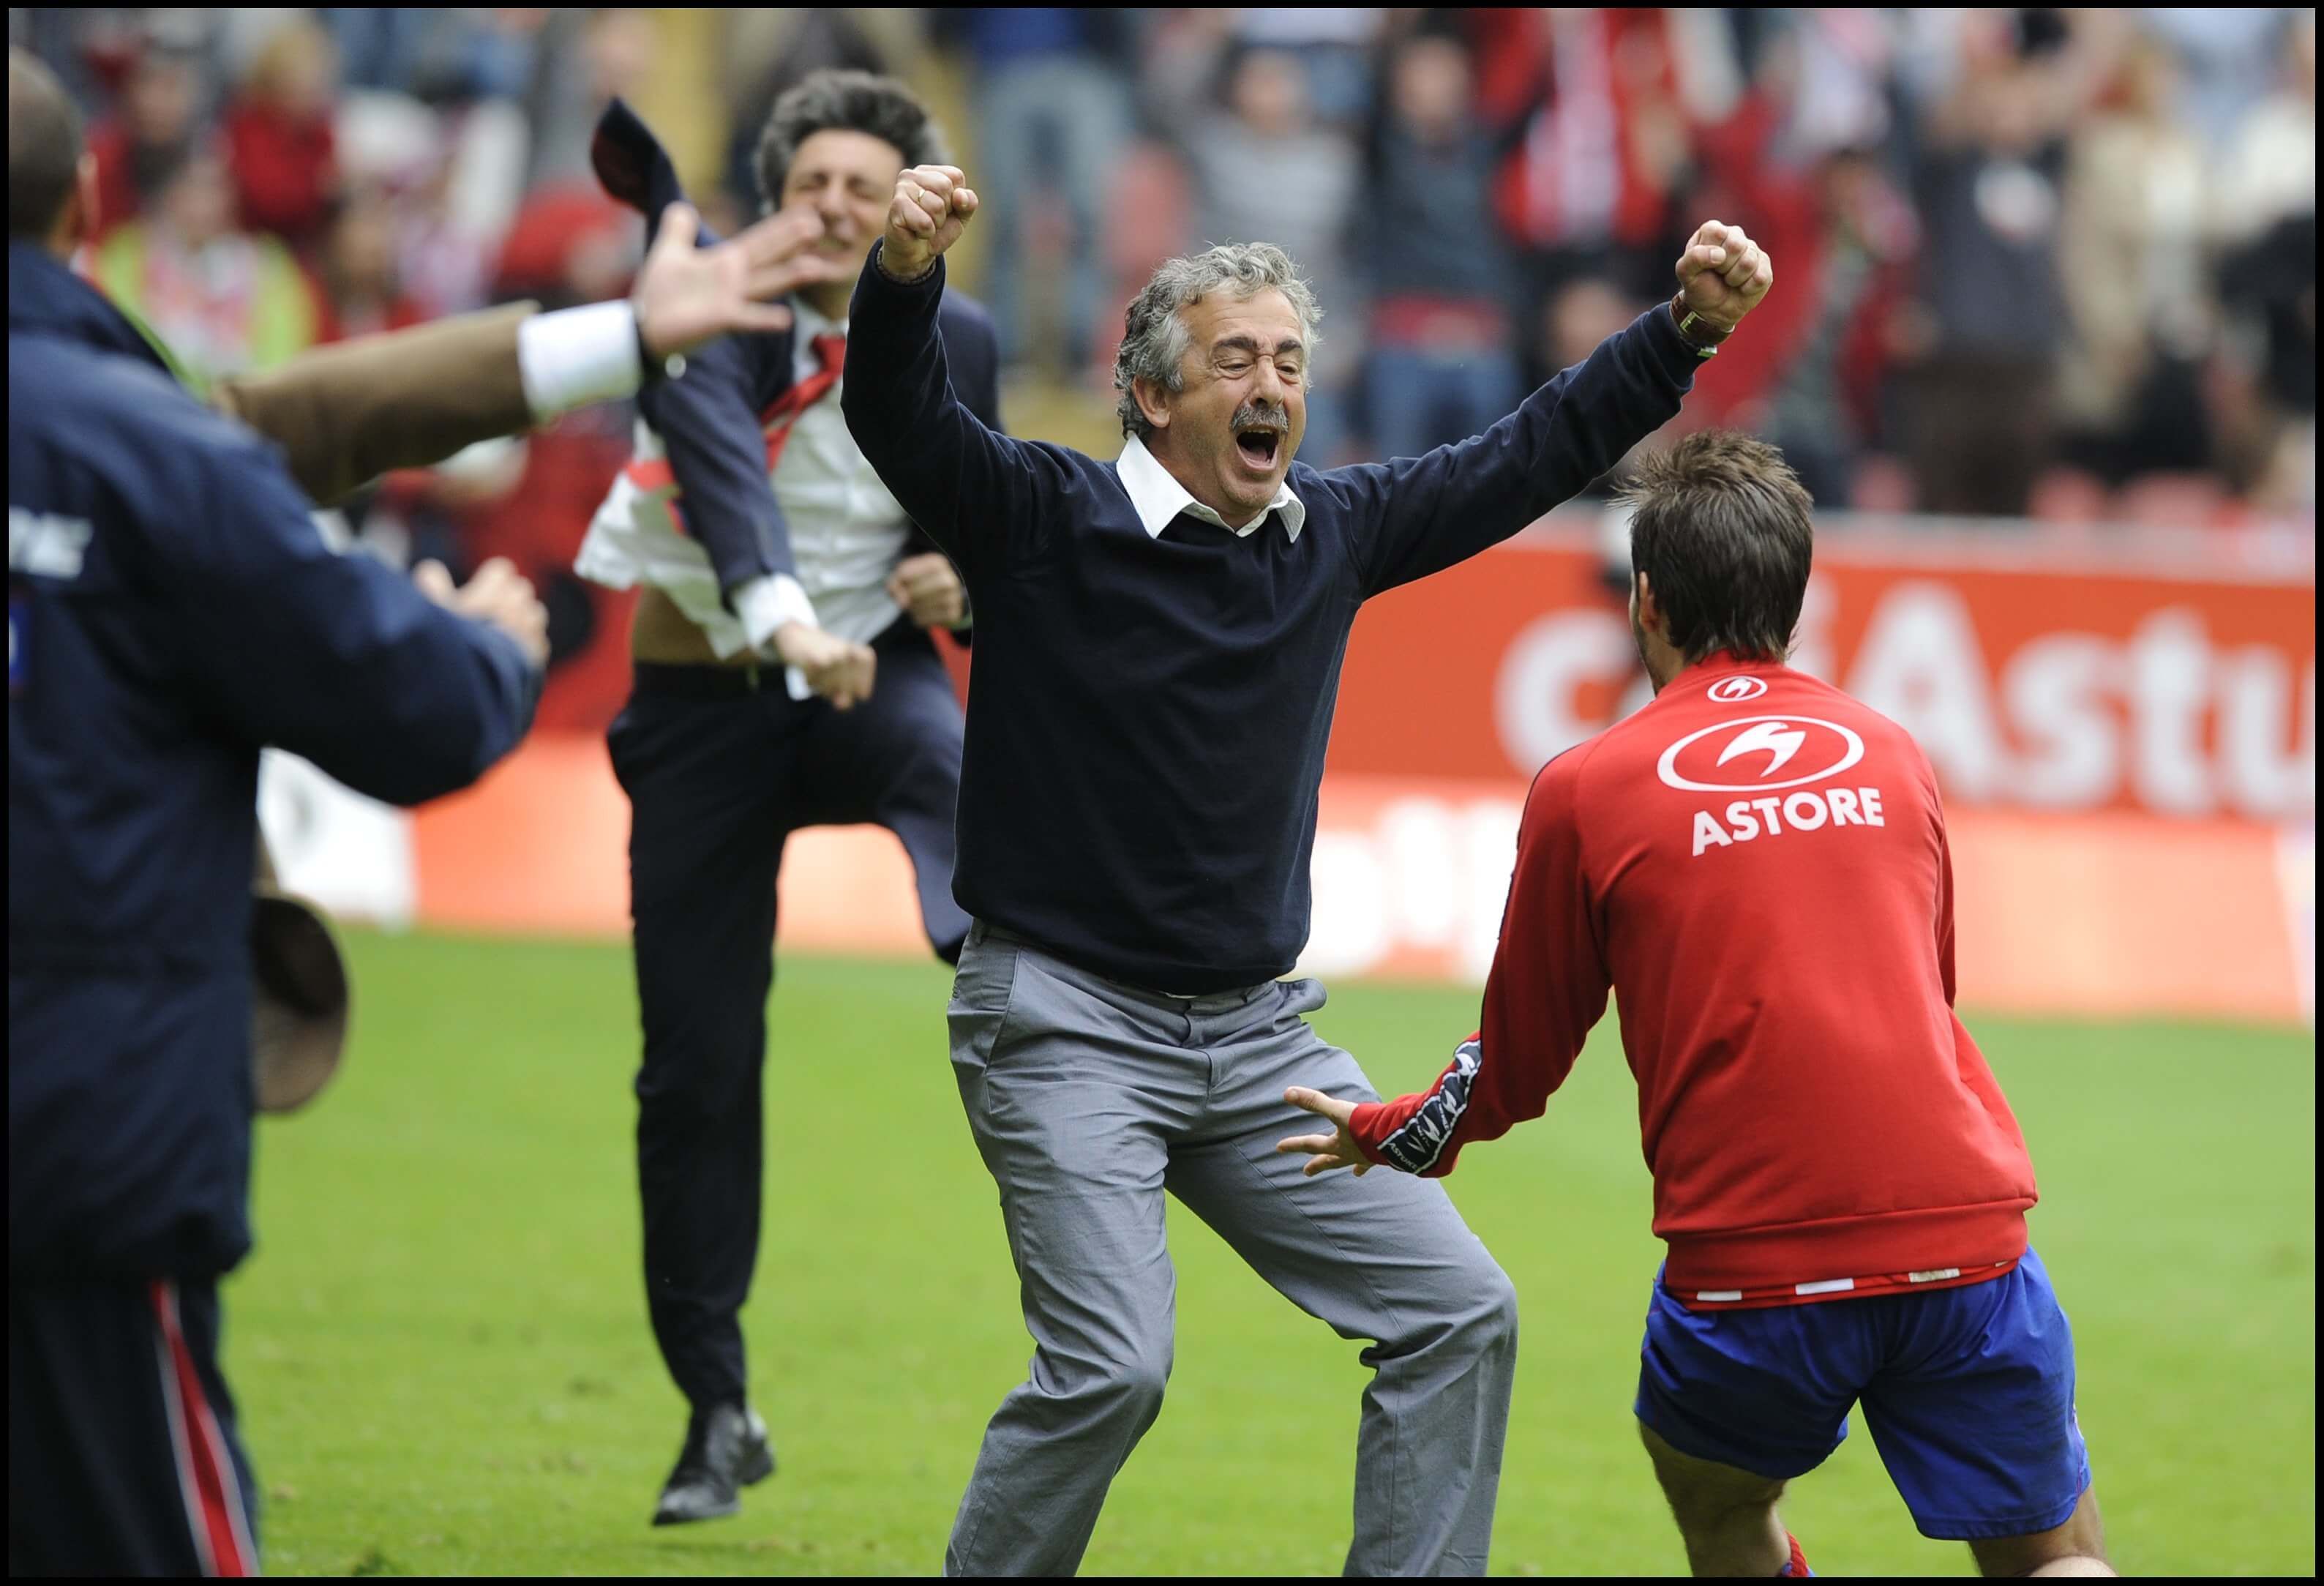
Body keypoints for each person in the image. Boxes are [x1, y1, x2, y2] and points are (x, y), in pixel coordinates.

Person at [843, 158, 1768, 1574]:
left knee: (1461, 1311)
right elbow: (897, 415)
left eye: (1288, 358)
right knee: (1113, 1374)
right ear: (1152, 396)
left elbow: (1528, 450)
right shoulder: (1040, 518)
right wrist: (906, 273)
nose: (1271, 383)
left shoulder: (1331, 532)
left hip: (1262, 1046)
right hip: (1064, 1031)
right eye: (1234, 359)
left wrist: (1683, 332)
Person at [8, 43, 833, 1574]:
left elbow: (243, 418)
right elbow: (393, 689)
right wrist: (482, 649)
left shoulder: (139, 437)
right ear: (84, 208)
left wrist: (608, 339)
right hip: (73, 1130)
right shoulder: (136, 450)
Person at [1278, 432, 2114, 1578]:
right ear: (1797, 599)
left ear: (1648, 603)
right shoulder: (1895, 752)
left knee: (1720, 1505)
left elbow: (1517, 1065)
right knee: (2057, 1552)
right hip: (1964, 1240)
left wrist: (1390, 1127)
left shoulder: (1586, 787)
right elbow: (1932, 990)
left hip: (1751, 1271)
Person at [574, 77, 1002, 1527]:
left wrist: (964, 582)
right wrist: (782, 624)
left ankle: (1009, 975)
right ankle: (715, 1407)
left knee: (949, 771)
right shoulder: (702, 315)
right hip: (704, 709)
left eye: (861, 184)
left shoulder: (964, 341)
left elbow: (978, 515)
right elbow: (728, 499)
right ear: (773, 196)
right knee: (692, 1072)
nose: (831, 204)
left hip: (860, 683)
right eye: (809, 180)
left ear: (911, 211)